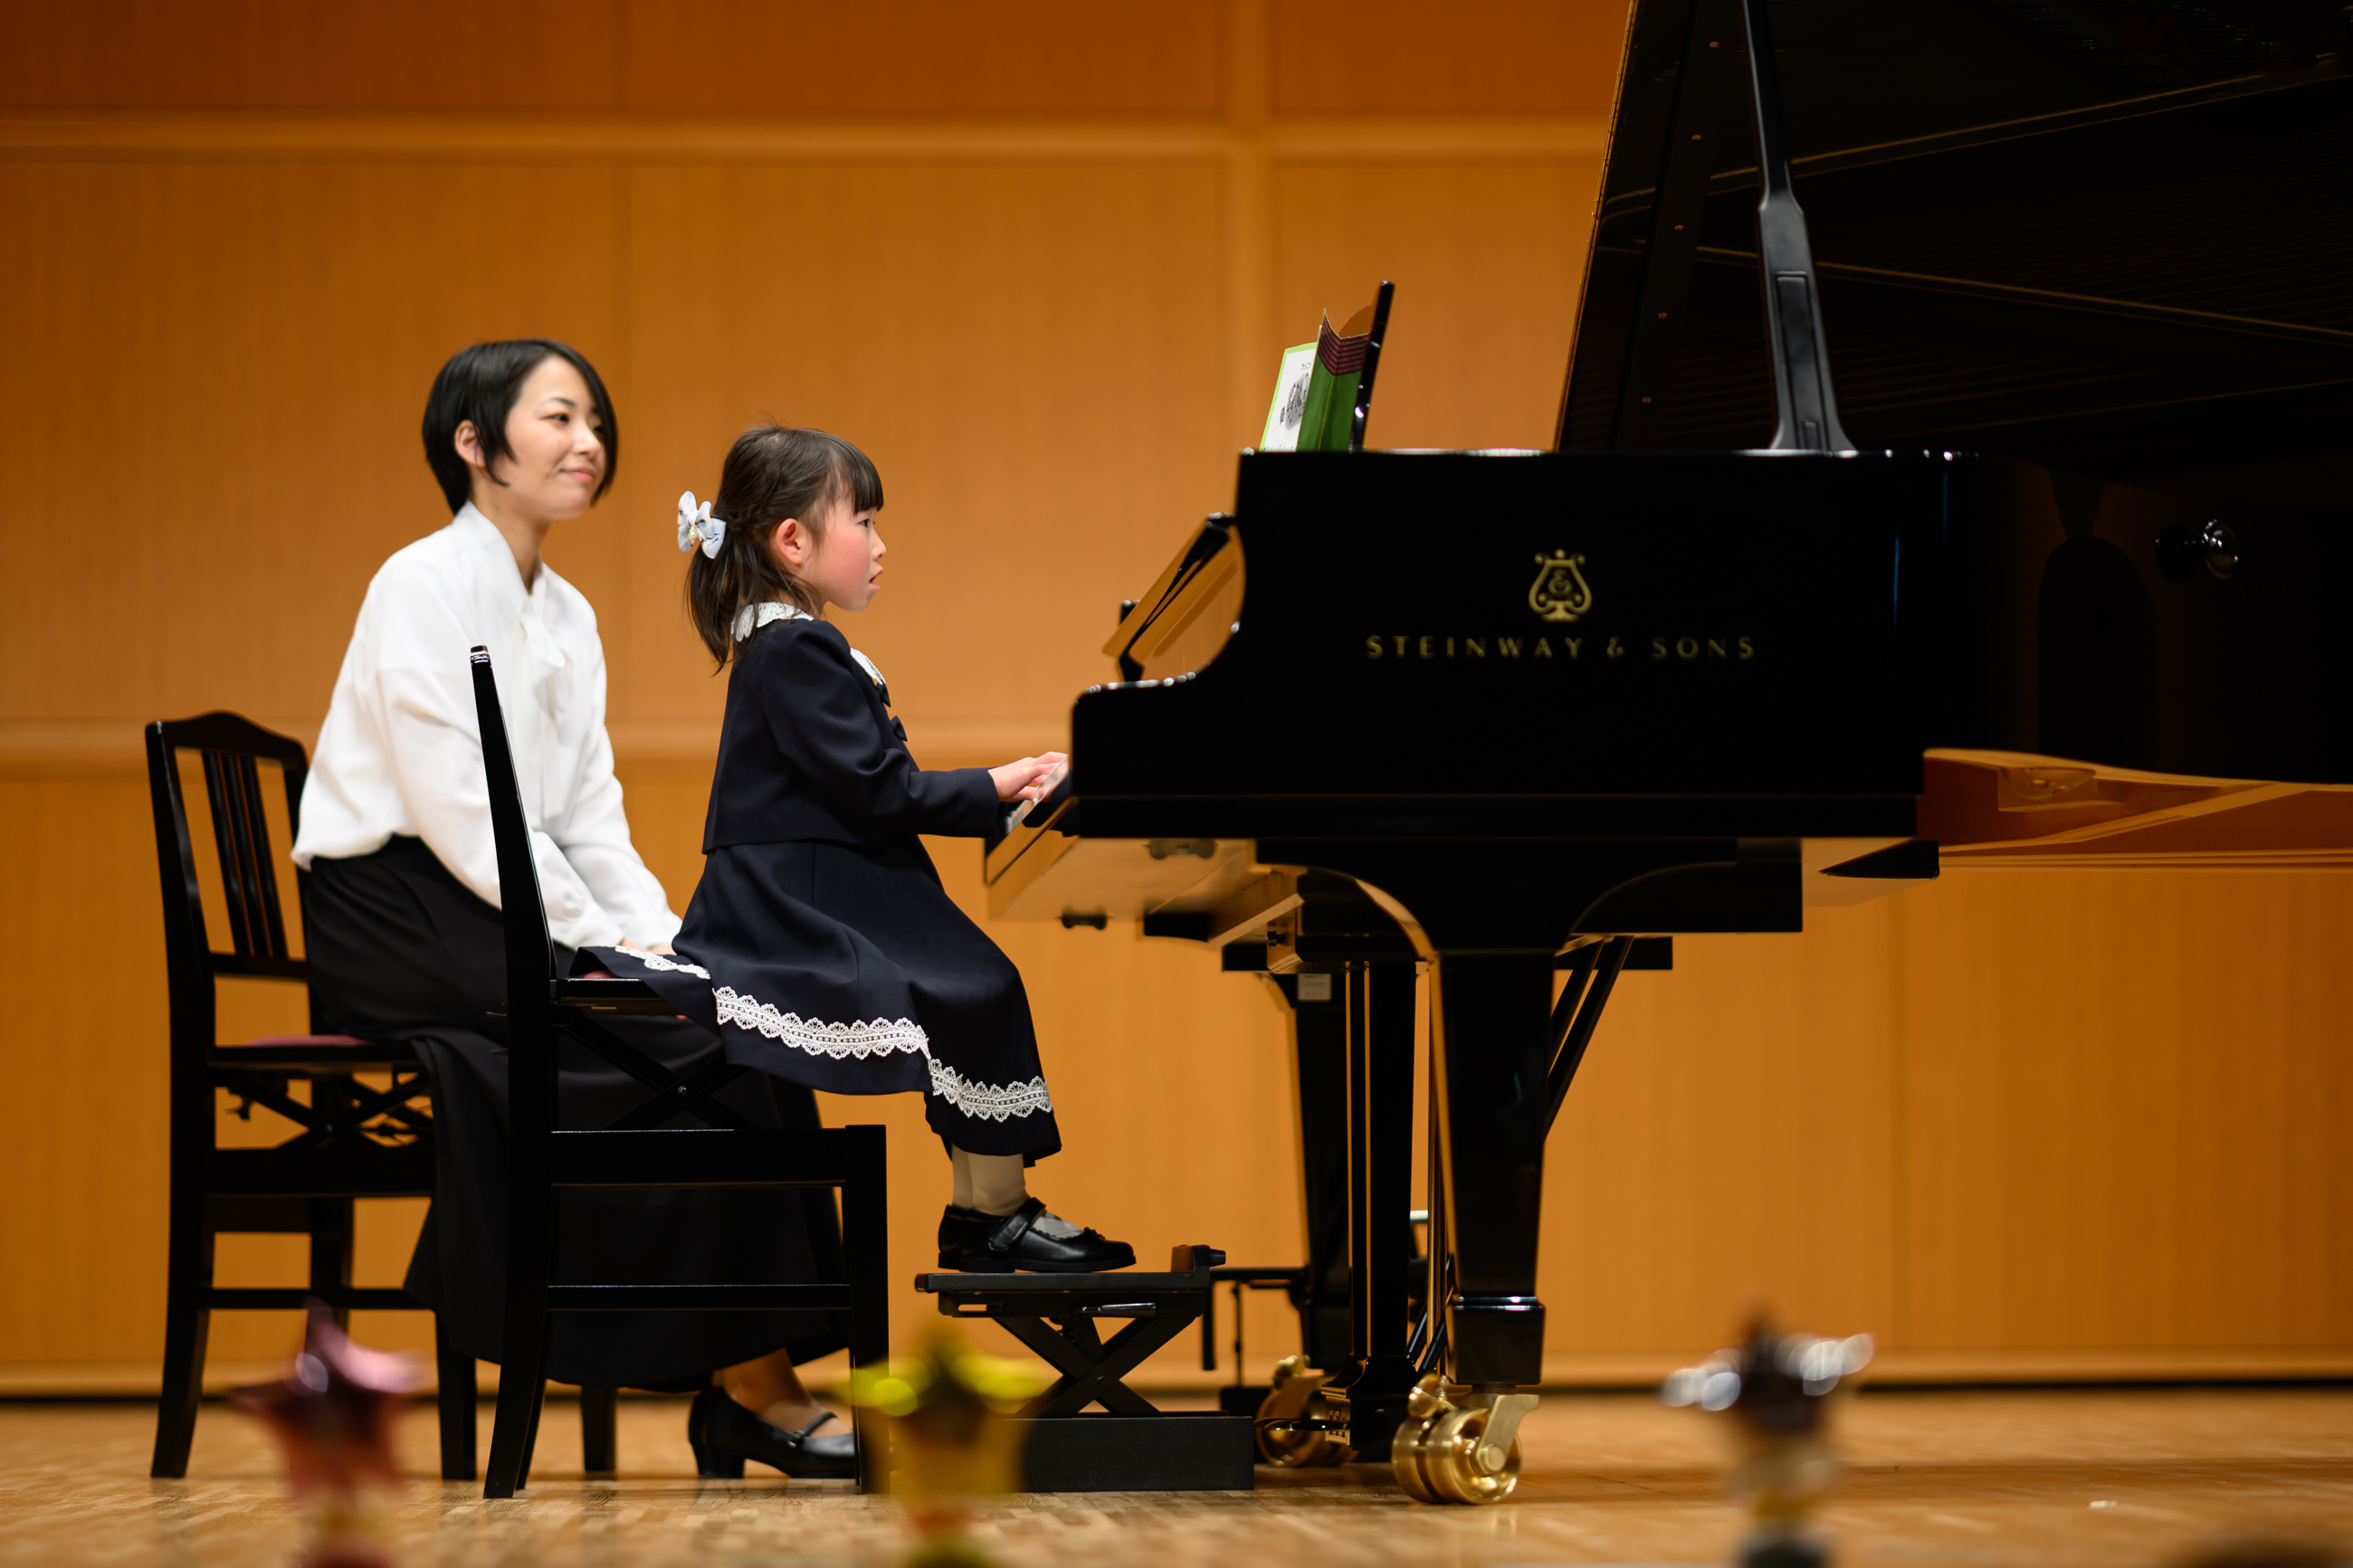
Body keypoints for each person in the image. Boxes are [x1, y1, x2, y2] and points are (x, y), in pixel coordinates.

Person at [292, 340, 856, 1479]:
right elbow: (461, 811)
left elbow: (588, 806)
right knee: (669, 1040)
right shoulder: (420, 581)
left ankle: (746, 1377)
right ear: (472, 442)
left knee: (730, 1012)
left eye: (594, 420)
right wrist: (599, 944)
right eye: (556, 417)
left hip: (493, 903)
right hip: (400, 911)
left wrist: (659, 936)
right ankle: (753, 1383)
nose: (587, 442)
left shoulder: (572, 610)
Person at [595, 424, 1135, 1294]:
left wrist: (999, 788)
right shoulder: (794, 648)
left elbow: (870, 790)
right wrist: (1003, 781)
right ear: (793, 541)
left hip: (832, 879)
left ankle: (986, 1209)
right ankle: (992, 1215)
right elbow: (881, 788)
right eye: (865, 520)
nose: (881, 545)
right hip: (797, 901)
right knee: (976, 983)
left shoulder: (789, 645)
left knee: (975, 981)